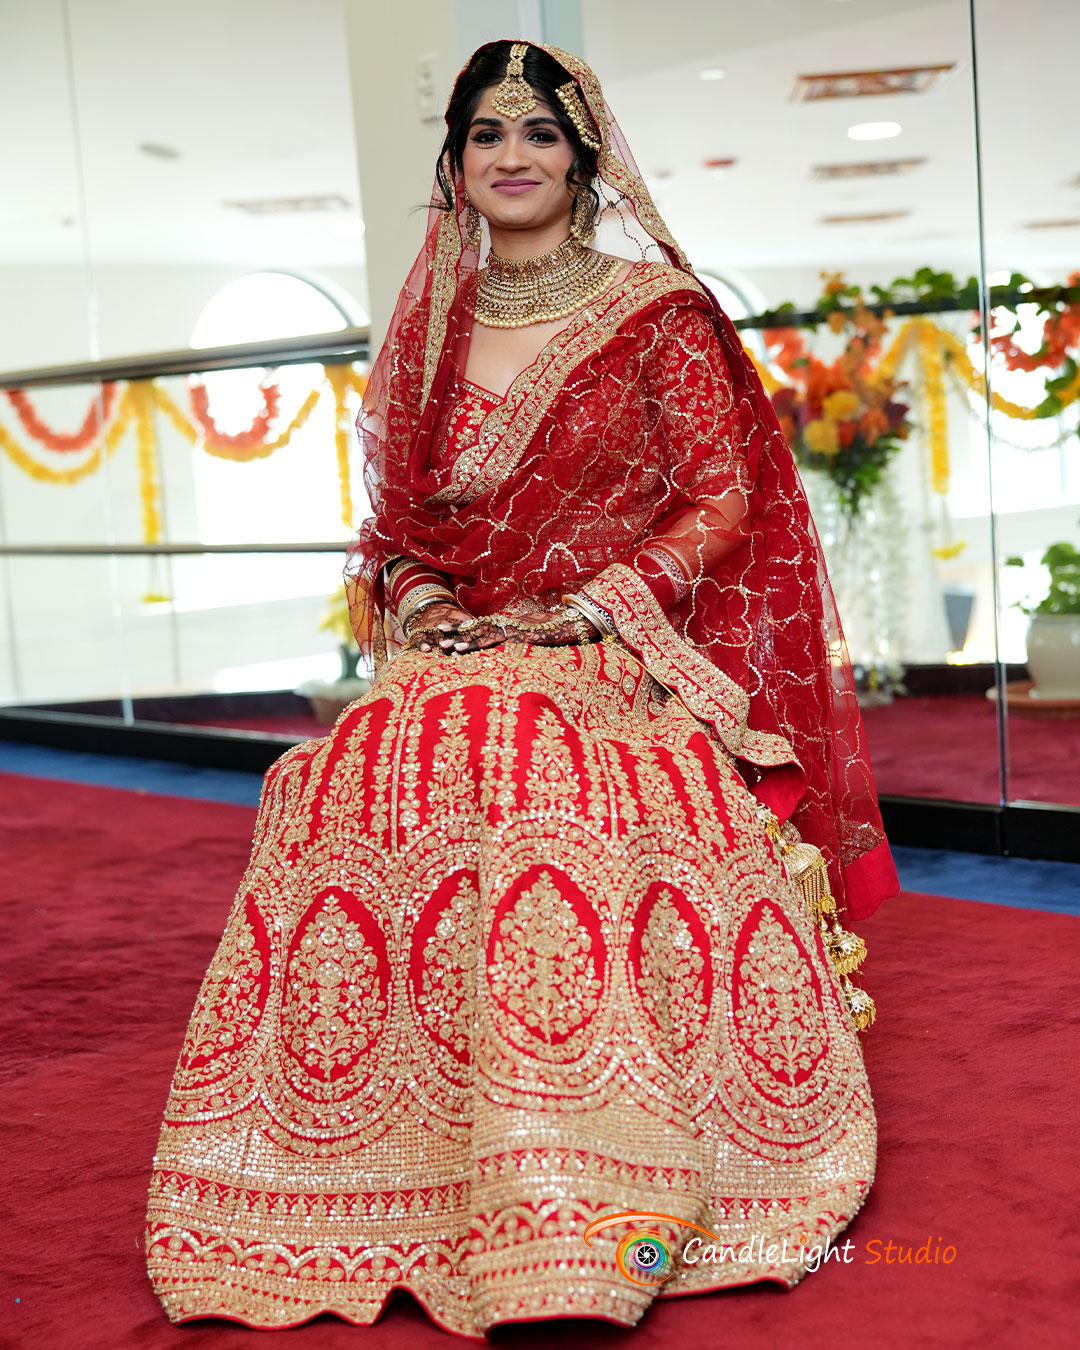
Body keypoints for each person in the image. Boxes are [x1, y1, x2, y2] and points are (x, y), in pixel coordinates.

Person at [145, 39, 898, 1338]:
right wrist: (431, 608)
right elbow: (395, 529)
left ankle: (584, 1167)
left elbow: (722, 499)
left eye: (535, 134)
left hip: (610, 646)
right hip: (458, 646)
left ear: (582, 154)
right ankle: (369, 1150)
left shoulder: (653, 312)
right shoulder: (430, 326)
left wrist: (588, 607)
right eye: (485, 135)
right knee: (343, 770)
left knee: (526, 751)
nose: (510, 157)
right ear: (456, 163)